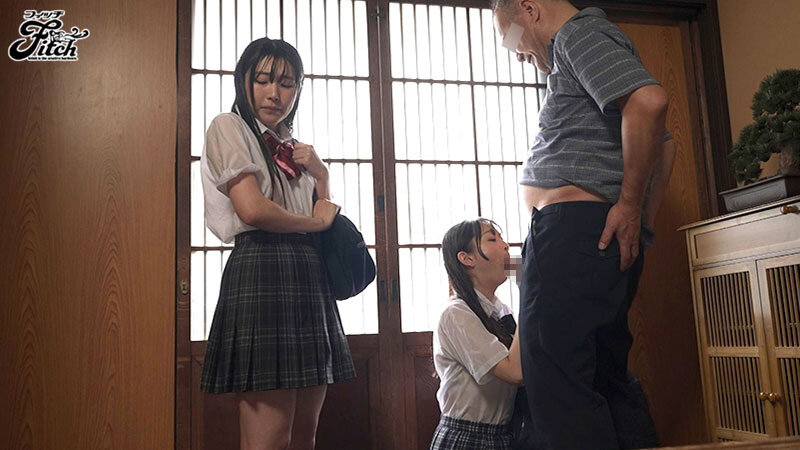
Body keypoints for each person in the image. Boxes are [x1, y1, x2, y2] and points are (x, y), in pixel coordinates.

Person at [492, 0, 676, 448]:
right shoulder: (587, 44)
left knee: (557, 384)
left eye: (511, 39)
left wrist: (630, 207)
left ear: (530, 9)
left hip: (571, 233)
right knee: (602, 377)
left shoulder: (576, 34)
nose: (518, 55)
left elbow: (650, 103)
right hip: (592, 236)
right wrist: (639, 221)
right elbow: (665, 144)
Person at [199, 37, 356, 450]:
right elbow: (253, 210)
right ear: (244, 82)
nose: (275, 93)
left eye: (287, 83)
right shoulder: (229, 126)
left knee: (305, 434)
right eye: (264, 80)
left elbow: (323, 216)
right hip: (262, 267)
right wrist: (314, 223)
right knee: (268, 440)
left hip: (308, 274)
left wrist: (322, 175)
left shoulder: (293, 148)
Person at [431, 219, 524, 450]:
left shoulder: (501, 311)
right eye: (492, 239)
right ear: (467, 258)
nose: (506, 246)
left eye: (502, 239)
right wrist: (528, 291)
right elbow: (515, 373)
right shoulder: (456, 314)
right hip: (467, 437)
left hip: (503, 435)